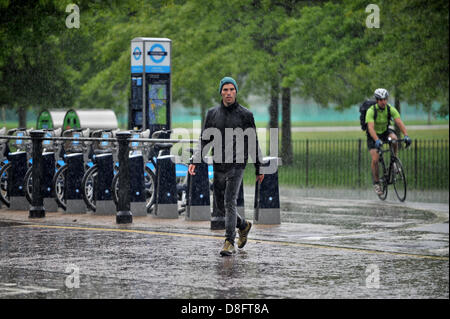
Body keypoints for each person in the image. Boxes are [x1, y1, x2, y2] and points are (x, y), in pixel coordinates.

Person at [188, 76, 264, 256]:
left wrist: (260, 167)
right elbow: (205, 140)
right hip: (219, 163)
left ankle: (229, 241)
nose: (228, 93)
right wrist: (195, 160)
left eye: (232, 90)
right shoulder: (212, 114)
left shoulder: (245, 115)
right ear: (221, 92)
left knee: (230, 201)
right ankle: (243, 226)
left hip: (237, 164)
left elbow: (253, 142)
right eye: (225, 90)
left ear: (236, 92)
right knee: (222, 206)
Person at [365, 88, 412, 195]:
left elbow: (399, 122)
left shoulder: (390, 109)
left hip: (385, 131)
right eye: (381, 100)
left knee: (394, 139)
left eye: (385, 99)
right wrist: (377, 140)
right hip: (373, 135)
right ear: (377, 100)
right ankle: (376, 183)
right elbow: (371, 128)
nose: (383, 102)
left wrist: (406, 135)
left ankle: (394, 160)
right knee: (375, 159)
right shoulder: (371, 111)